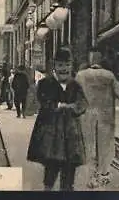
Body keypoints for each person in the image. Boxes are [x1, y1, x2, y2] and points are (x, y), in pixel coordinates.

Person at [27, 46, 88, 191]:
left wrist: (74, 107)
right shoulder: (45, 83)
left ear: (71, 66)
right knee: (51, 171)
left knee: (69, 175)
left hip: (71, 136)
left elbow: (83, 103)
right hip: (51, 135)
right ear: (54, 65)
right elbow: (43, 102)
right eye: (60, 65)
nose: (64, 69)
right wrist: (58, 105)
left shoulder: (75, 84)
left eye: (67, 65)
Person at [76, 49, 119, 188]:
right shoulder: (109, 75)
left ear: (90, 59)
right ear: (101, 59)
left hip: (87, 116)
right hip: (105, 116)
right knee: (105, 147)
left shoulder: (81, 75)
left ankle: (91, 178)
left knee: (89, 146)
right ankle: (102, 175)